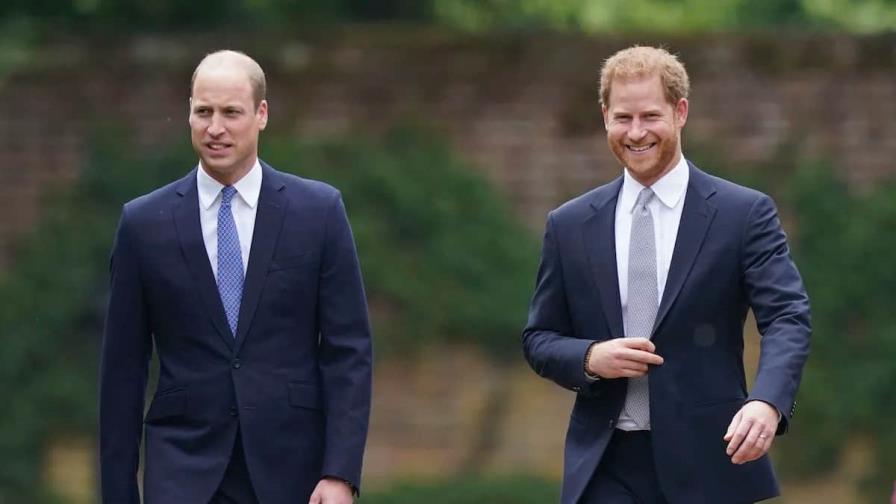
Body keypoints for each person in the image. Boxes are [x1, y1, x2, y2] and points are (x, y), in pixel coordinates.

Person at [521, 45, 810, 504]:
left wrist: (767, 401)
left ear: (680, 112)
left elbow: (787, 318)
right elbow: (539, 338)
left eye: (650, 116)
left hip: (710, 461)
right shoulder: (569, 224)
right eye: (623, 117)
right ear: (605, 117)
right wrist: (590, 357)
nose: (636, 132)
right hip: (605, 466)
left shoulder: (743, 214)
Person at [99, 50, 372, 504]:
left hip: (293, 470)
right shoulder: (143, 224)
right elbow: (122, 372)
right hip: (182, 471)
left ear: (261, 114)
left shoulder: (319, 212)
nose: (215, 128)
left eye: (231, 112)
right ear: (189, 113)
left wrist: (340, 473)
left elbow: (349, 351)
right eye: (203, 112)